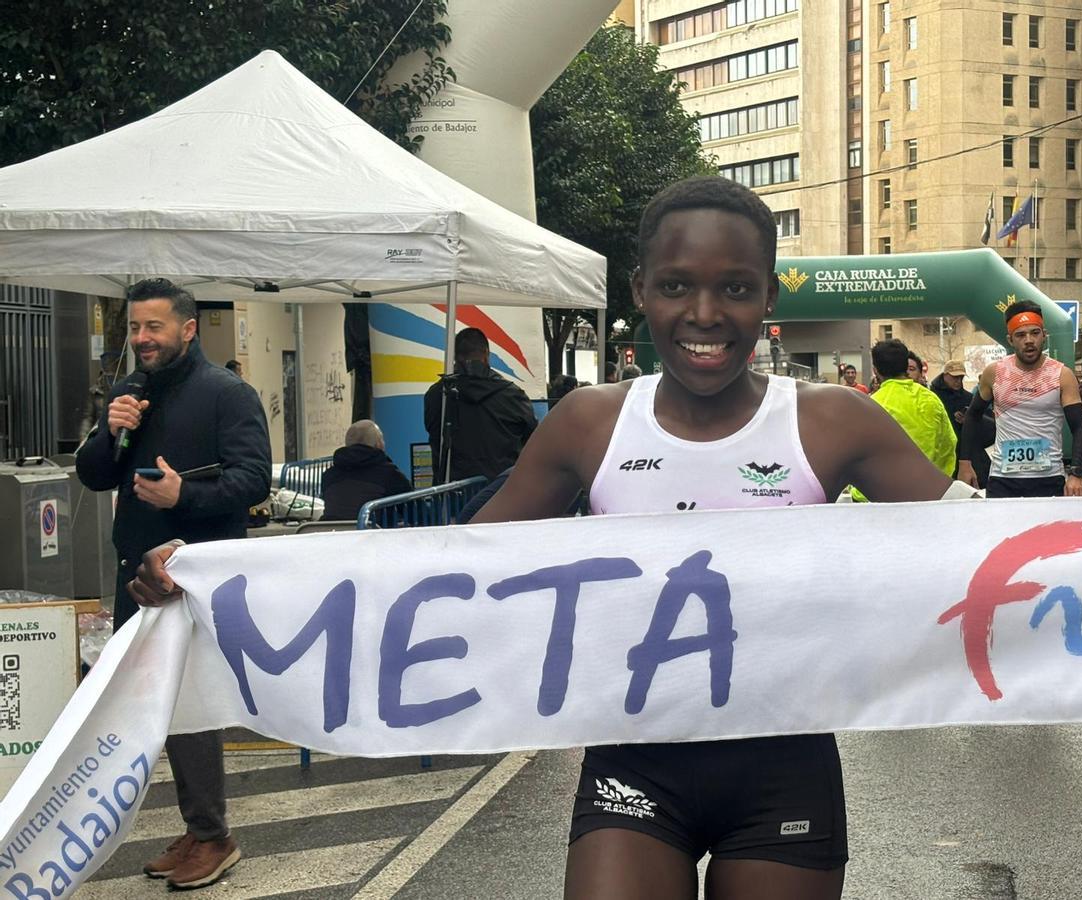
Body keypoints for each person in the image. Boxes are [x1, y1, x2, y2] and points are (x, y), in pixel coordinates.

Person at [131, 176, 964, 900]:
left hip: (784, 767)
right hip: (635, 768)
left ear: (770, 296)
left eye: (736, 289)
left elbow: (990, 539)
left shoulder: (827, 419)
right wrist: (217, 571)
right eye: (677, 286)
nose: (705, 315)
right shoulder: (591, 422)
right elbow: (444, 564)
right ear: (640, 289)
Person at [76, 278, 270, 889]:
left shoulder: (227, 393)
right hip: (134, 572)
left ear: (187, 329)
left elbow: (254, 481)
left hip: (193, 578)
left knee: (189, 704)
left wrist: (185, 493)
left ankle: (213, 836)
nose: (142, 339)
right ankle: (199, 828)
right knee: (152, 709)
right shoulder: (131, 390)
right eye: (135, 328)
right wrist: (110, 431)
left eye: (154, 328)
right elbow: (94, 475)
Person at [958, 300, 1082, 498]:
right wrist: (964, 463)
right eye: (1020, 335)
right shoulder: (995, 372)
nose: (1029, 340)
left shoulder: (1062, 374)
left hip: (1048, 479)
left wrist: (1076, 473)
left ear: (1044, 335)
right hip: (1003, 479)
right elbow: (972, 416)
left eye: (1035, 333)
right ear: (1010, 340)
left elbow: (1079, 426)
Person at [423, 327, 538, 483]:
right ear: (486, 355)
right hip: (502, 493)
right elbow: (534, 439)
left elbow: (434, 434)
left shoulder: (438, 395)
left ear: (455, 357)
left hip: (452, 495)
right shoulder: (513, 395)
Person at [850, 340, 956, 501]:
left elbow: (856, 453)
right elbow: (948, 444)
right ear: (906, 365)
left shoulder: (871, 404)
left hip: (874, 498)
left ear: (875, 370)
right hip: (923, 492)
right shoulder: (931, 399)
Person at [320, 419, 413, 520]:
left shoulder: (329, 476)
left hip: (334, 533)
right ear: (379, 445)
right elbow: (417, 511)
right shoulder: (390, 475)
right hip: (374, 534)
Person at [928, 360, 971, 453]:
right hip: (938, 450)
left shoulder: (968, 397)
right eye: (955, 377)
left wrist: (968, 420)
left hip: (962, 451)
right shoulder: (930, 396)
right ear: (945, 375)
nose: (958, 381)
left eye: (961, 377)